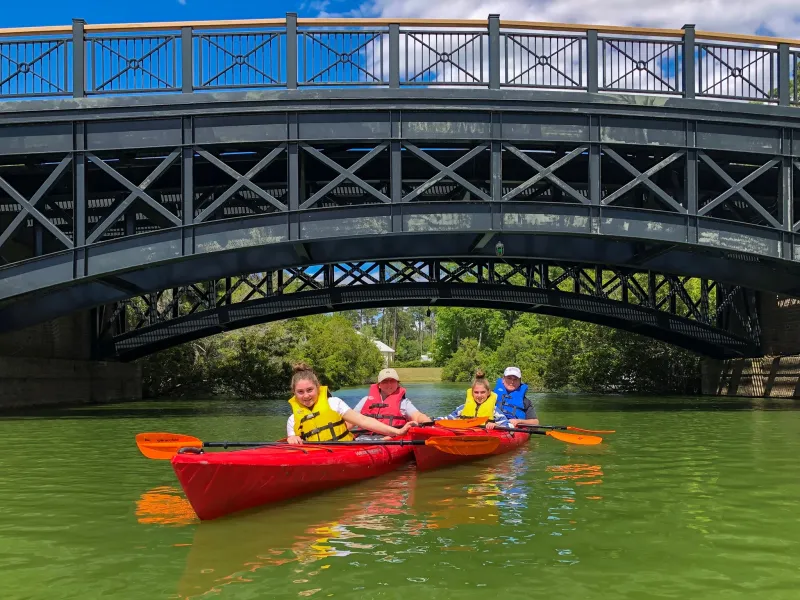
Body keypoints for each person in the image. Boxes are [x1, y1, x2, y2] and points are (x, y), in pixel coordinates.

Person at [286, 363, 417, 445]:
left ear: (318, 387)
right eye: (300, 392)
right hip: (316, 455)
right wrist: (291, 437)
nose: (306, 396)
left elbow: (363, 421)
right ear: (294, 393)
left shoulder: (334, 403)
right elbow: (293, 440)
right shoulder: (293, 420)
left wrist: (398, 432)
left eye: (310, 390)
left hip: (345, 449)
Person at [352, 367, 432, 429]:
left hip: (392, 440)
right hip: (362, 438)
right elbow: (351, 419)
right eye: (385, 381)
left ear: (397, 384)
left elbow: (417, 416)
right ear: (379, 385)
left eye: (392, 381)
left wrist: (426, 421)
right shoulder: (365, 400)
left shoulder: (403, 403)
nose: (389, 384)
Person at [440, 369, 510, 430]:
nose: (479, 396)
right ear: (472, 393)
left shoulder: (494, 410)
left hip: (484, 436)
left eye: (483, 392)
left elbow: (509, 426)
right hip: (466, 432)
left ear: (488, 392)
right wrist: (432, 420)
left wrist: (496, 425)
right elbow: (447, 419)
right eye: (476, 392)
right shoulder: (462, 408)